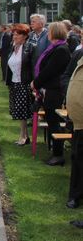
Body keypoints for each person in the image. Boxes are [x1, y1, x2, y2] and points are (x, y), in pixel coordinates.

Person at [32, 21, 71, 166]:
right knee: (51, 121)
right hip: (49, 90)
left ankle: (58, 154)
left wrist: (36, 83)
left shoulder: (61, 49)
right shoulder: (55, 48)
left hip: (55, 91)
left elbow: (50, 70)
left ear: (54, 33)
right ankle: (55, 152)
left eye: (49, 31)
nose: (47, 33)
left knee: (55, 123)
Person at [4, 24, 34, 146]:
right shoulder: (13, 47)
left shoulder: (30, 47)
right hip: (14, 83)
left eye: (17, 34)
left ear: (25, 36)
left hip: (24, 83)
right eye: (14, 34)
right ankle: (24, 135)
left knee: (22, 111)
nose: (14, 36)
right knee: (18, 111)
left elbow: (33, 66)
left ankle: (23, 136)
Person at [65, 52, 83, 213]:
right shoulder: (79, 56)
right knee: (77, 158)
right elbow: (68, 77)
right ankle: (75, 195)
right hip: (78, 122)